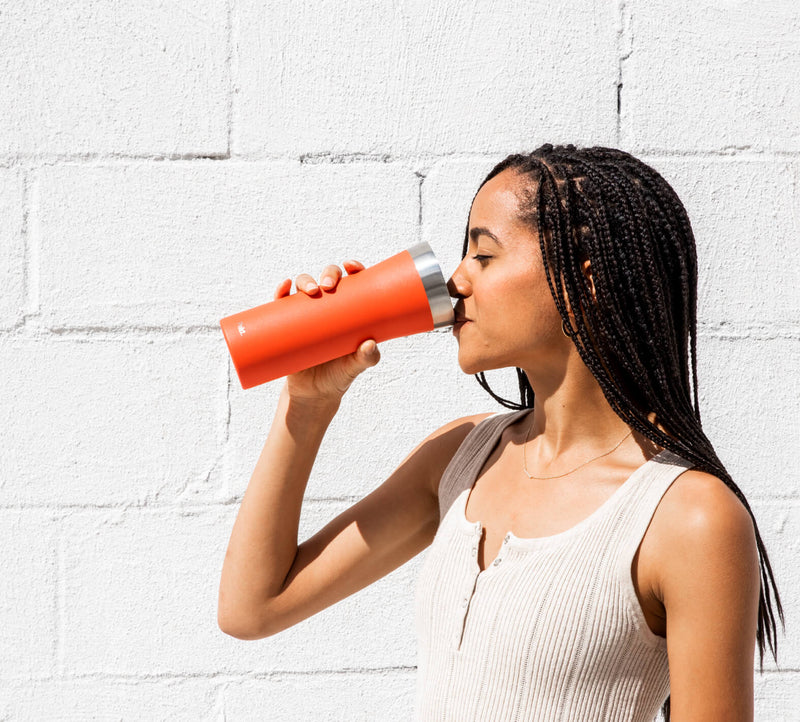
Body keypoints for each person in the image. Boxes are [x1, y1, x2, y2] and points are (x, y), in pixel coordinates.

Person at [217, 144, 782, 721]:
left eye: (483, 255)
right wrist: (307, 405)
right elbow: (253, 607)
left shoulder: (687, 517)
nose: (456, 279)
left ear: (581, 279)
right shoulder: (462, 459)